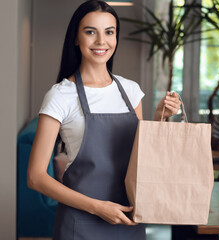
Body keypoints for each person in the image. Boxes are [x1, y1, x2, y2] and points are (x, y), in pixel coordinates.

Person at [27, 1, 181, 239]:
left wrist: (160, 118)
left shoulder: (131, 91)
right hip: (81, 223)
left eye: (109, 32)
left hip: (129, 220)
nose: (102, 41)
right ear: (76, 39)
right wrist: (98, 207)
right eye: (91, 32)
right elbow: (35, 177)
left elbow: (140, 159)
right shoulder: (61, 95)